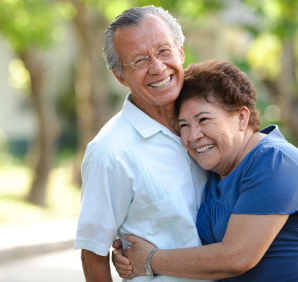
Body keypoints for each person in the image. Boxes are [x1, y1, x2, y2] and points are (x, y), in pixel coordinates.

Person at [112, 59, 298, 281]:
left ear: (241, 117)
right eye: (184, 125)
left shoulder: (276, 161)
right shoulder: (214, 170)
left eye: (203, 119)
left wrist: (150, 260)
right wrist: (128, 251)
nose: (193, 136)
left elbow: (236, 257)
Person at [74, 5, 211, 282]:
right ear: (119, 76)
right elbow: (93, 252)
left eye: (164, 51)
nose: (158, 68)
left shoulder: (210, 124)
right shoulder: (110, 152)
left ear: (181, 53)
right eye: (139, 61)